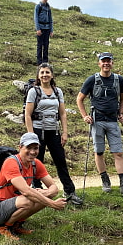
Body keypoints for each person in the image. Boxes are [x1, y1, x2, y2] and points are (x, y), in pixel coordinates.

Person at [76, 52, 123, 196]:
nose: (106, 63)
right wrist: (85, 116)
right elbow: (79, 99)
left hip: (112, 120)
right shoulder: (91, 79)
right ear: (99, 63)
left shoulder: (119, 80)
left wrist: (121, 113)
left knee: (118, 152)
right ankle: (105, 181)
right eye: (103, 61)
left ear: (112, 63)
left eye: (108, 61)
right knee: (99, 152)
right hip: (96, 120)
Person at [0, 132, 67, 240]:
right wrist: (53, 204)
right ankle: (4, 227)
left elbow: (54, 188)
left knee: (41, 196)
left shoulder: (36, 163)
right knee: (29, 199)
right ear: (20, 147)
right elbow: (26, 192)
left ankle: (16, 225)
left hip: (14, 204)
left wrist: (45, 193)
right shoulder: (11, 162)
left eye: (35, 148)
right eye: (29, 147)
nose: (32, 152)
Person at [24, 63, 83, 205]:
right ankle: (37, 192)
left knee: (60, 161)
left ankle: (70, 192)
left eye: (47, 72)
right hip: (38, 131)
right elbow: (27, 114)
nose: (45, 75)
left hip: (54, 131)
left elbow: (62, 113)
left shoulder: (58, 92)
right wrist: (32, 136)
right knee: (37, 162)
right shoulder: (34, 91)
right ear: (38, 76)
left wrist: (65, 132)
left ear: (52, 75)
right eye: (42, 72)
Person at [33, 0, 53, 65]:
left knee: (46, 45)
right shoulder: (38, 6)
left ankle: (45, 61)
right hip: (40, 28)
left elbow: (50, 19)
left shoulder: (48, 7)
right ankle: (39, 62)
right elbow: (36, 18)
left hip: (47, 28)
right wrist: (38, 29)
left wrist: (51, 30)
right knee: (40, 45)